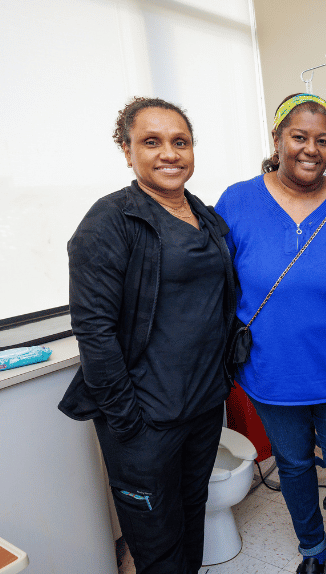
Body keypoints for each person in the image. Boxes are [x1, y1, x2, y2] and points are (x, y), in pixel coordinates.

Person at [215, 93, 326, 574]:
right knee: (293, 466)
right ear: (277, 140)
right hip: (271, 373)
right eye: (299, 137)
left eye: (323, 140)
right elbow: (215, 282)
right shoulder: (237, 202)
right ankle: (314, 550)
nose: (310, 149)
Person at [58, 97, 236, 574]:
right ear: (126, 150)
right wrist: (127, 419)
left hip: (201, 408)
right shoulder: (111, 221)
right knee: (157, 549)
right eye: (151, 142)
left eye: (181, 142)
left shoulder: (206, 217)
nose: (169, 154)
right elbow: (92, 329)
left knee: (190, 522)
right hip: (145, 422)